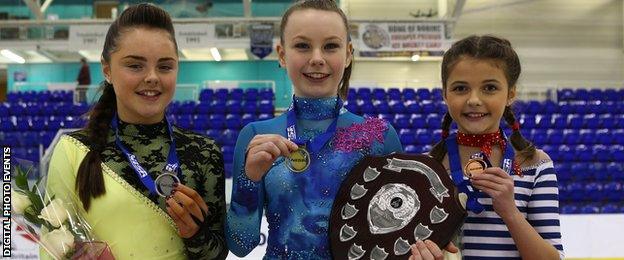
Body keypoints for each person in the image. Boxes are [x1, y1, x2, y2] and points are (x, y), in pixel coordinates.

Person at [45, 3, 227, 259]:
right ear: (107, 69)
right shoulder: (74, 151)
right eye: (135, 65)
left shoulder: (204, 153)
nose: (152, 77)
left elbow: (218, 254)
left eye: (165, 66)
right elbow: (52, 247)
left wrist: (194, 235)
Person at [225, 1, 404, 258]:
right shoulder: (255, 136)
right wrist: (248, 181)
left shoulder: (380, 135)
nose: (317, 58)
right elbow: (241, 245)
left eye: (330, 46)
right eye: (302, 46)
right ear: (282, 54)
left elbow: (396, 233)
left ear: (349, 53)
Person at [411, 35, 564, 260]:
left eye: (490, 88)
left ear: (510, 94)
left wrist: (510, 212)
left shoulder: (535, 165)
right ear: (445, 94)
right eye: (461, 88)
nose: (474, 99)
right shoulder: (424, 170)